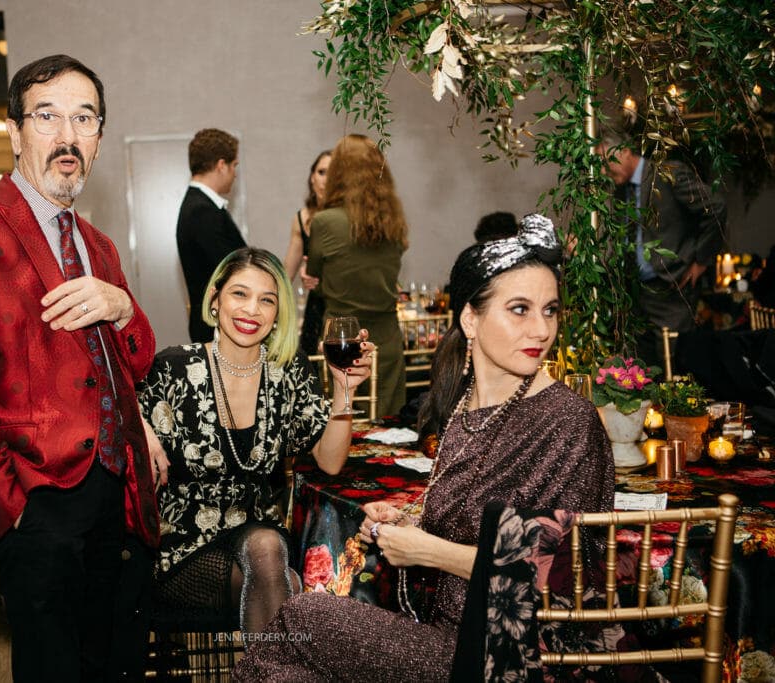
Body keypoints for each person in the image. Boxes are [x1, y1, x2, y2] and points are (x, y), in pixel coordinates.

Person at [234, 214, 615, 681]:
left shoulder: (567, 422)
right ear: (470, 319)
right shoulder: (465, 408)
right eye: (520, 309)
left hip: (510, 652)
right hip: (447, 634)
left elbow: (560, 574)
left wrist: (428, 551)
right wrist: (407, 519)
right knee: (291, 661)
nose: (541, 330)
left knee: (306, 619)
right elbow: (476, 517)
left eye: (550, 310)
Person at [0, 54, 159, 682]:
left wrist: (123, 305)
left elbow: (138, 361)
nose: (67, 136)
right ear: (16, 132)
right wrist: (8, 506)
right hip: (34, 502)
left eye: (84, 119)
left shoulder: (99, 245)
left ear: (98, 138)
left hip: (113, 494)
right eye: (47, 117)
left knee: (110, 664)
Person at [139, 247, 372, 639]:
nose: (252, 310)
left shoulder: (287, 371)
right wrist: (142, 428)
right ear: (214, 299)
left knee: (267, 552)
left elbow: (330, 461)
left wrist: (343, 389)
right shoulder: (172, 368)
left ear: (278, 312)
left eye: (267, 300)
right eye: (239, 294)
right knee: (291, 590)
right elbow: (114, 409)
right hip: (183, 544)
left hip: (256, 530)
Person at [598, 132, 726, 366]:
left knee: (675, 364)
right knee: (643, 368)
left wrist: (701, 261)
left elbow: (715, 207)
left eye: (607, 164)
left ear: (625, 151)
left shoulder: (668, 173)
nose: (605, 172)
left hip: (672, 286)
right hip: (638, 294)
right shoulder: (620, 190)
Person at [307, 134, 408, 418]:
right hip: (386, 337)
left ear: (339, 172)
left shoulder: (325, 222)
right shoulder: (394, 222)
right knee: (388, 432)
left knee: (341, 422)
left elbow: (314, 275)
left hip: (343, 339)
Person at [176, 128, 247, 343]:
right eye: (234, 166)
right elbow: (234, 271)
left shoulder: (201, 206)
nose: (235, 173)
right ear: (221, 165)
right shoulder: (202, 211)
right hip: (216, 328)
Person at [283, 150, 332, 354]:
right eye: (322, 172)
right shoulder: (301, 219)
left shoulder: (352, 218)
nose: (326, 180)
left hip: (345, 302)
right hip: (316, 306)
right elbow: (286, 274)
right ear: (312, 177)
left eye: (333, 173)